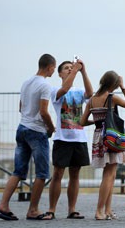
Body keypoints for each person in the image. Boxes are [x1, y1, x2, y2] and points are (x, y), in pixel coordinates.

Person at [0, 54, 57, 221]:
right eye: (53, 68)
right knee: (42, 173)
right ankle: (33, 210)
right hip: (37, 132)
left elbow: (21, 107)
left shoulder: (26, 82)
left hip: (22, 128)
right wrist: (51, 128)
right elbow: (44, 112)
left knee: (18, 171)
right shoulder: (45, 85)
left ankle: (3, 205)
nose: (53, 71)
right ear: (50, 67)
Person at [80, 71, 125, 220]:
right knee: (109, 175)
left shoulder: (92, 100)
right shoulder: (112, 98)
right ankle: (99, 211)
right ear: (114, 84)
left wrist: (98, 121)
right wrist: (123, 88)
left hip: (99, 136)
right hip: (112, 136)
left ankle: (108, 210)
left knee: (111, 174)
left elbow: (82, 121)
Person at [47, 59, 93, 220]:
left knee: (75, 174)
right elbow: (65, 89)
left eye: (70, 68)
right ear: (59, 73)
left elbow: (90, 93)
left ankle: (72, 209)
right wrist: (75, 70)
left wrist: (83, 71)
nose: (69, 70)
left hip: (79, 138)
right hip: (62, 137)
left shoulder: (79, 90)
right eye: (66, 68)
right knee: (58, 173)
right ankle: (51, 209)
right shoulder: (54, 90)